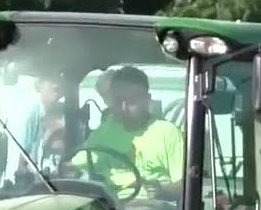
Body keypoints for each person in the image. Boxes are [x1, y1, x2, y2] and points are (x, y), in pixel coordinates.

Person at [68, 65, 183, 200]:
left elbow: (185, 183)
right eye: (118, 101)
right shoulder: (106, 130)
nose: (124, 108)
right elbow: (77, 164)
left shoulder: (167, 132)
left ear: (147, 99)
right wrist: (68, 171)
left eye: (131, 101)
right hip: (111, 206)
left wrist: (161, 191)